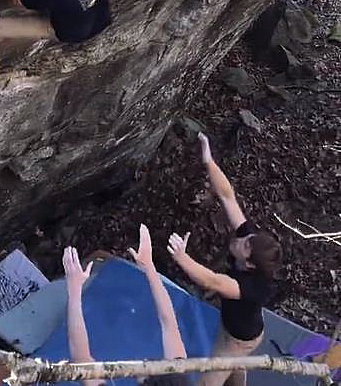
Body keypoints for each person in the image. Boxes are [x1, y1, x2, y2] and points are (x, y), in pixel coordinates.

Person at [167, 132, 283, 386]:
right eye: (246, 238)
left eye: (244, 245)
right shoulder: (250, 242)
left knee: (208, 382)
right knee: (236, 367)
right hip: (233, 325)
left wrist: (181, 257)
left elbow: (213, 282)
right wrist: (209, 161)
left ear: (250, 264)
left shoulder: (252, 287)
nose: (240, 239)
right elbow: (227, 196)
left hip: (239, 339)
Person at [62, 224, 187, 386]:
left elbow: (81, 359)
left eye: (147, 368)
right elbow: (169, 322)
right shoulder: (177, 379)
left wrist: (74, 290)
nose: (146, 361)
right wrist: (148, 265)